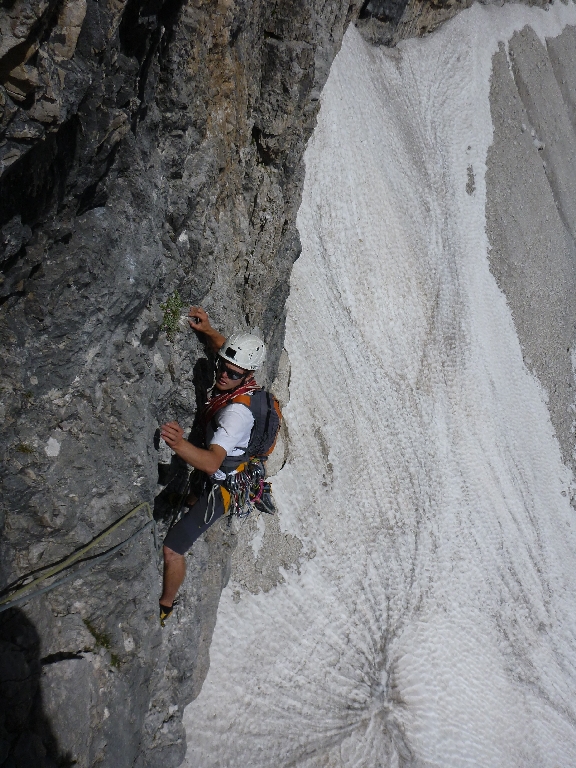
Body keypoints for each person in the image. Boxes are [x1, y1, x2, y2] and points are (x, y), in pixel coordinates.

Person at [158, 306, 266, 626]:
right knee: (193, 499)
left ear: (247, 376)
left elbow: (210, 463)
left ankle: (165, 604)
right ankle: (190, 503)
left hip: (225, 485)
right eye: (223, 368)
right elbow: (226, 354)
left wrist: (179, 444)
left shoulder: (236, 415)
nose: (223, 375)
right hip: (228, 472)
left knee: (172, 549)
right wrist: (207, 330)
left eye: (233, 374)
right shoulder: (240, 376)